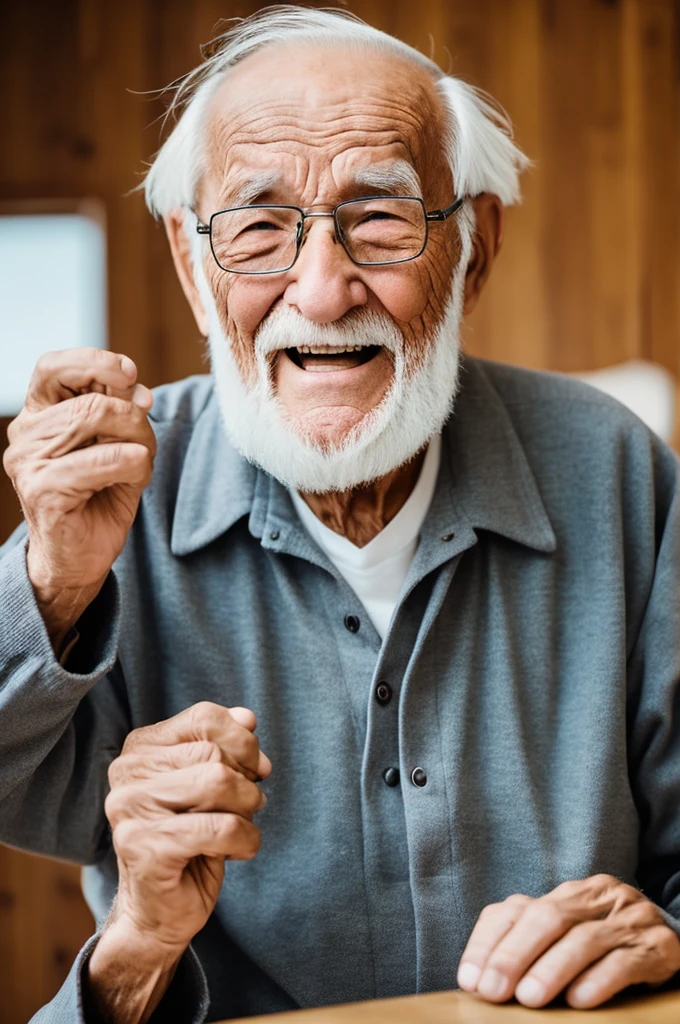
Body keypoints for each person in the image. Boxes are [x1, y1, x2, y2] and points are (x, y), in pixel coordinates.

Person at [1, 7, 679, 1023]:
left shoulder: (614, 466)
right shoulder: (114, 502)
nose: (319, 291)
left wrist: (663, 930)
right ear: (194, 267)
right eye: (257, 227)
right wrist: (54, 579)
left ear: (474, 248)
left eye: (380, 217)